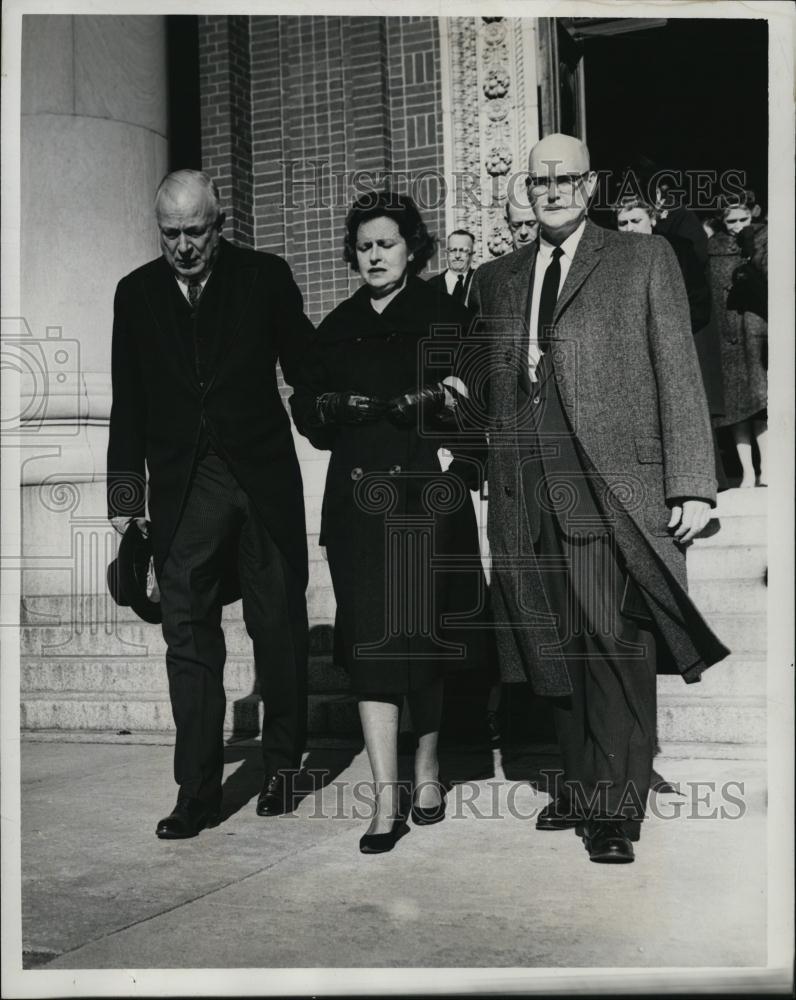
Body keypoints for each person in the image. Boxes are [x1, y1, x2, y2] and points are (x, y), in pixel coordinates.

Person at [467, 134, 729, 865]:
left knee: (614, 639)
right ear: (527, 190)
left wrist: (691, 483)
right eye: (539, 180)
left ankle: (614, 809)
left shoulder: (643, 258)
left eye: (566, 179)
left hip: (610, 487)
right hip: (528, 491)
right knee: (553, 646)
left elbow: (678, 369)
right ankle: (582, 785)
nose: (552, 191)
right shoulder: (497, 278)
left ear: (590, 187)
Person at [107, 170, 313, 839]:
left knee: (278, 627)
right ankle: (196, 793)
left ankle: (282, 768)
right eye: (171, 233)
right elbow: (128, 402)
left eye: (196, 231)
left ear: (219, 225)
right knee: (188, 639)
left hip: (261, 481)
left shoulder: (264, 276)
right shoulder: (135, 293)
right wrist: (126, 500)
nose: (184, 246)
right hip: (183, 489)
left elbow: (308, 366)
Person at [291, 193, 487, 854]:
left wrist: (439, 405)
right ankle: (384, 797)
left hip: (427, 498)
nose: (375, 256)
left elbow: (480, 399)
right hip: (358, 506)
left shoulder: (446, 315)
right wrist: (328, 406)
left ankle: (426, 771)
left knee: (423, 642)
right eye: (365, 246)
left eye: (388, 244)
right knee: (372, 649)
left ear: (412, 249)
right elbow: (307, 408)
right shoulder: (336, 325)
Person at [615, 194, 725, 448]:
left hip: (676, 346)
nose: (629, 228)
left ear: (652, 220)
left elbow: (698, 300)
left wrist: (672, 335)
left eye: (636, 220)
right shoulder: (613, 257)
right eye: (623, 223)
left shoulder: (677, 249)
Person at [708, 194, 768, 487]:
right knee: (736, 408)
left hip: (755, 332)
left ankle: (766, 466)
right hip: (728, 336)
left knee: (761, 403)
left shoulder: (763, 240)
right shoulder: (713, 248)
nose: (738, 225)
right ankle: (747, 471)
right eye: (732, 221)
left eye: (743, 219)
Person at [426, 229, 476, 305]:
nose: (457, 256)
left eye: (463, 250)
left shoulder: (480, 281)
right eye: (453, 250)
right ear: (447, 253)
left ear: (472, 254)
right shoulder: (430, 286)